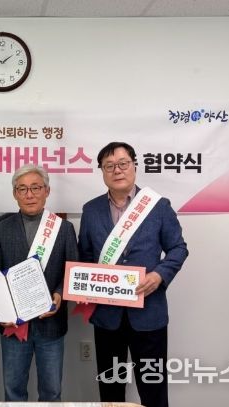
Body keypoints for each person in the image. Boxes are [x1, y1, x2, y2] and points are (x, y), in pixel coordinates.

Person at [77, 142, 188, 407]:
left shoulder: (158, 206)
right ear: (102, 172)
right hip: (107, 316)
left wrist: (159, 275)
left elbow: (178, 248)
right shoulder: (91, 210)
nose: (117, 170)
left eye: (123, 163)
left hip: (149, 313)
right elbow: (85, 256)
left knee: (153, 390)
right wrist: (84, 284)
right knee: (110, 392)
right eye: (109, 166)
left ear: (134, 166)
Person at [0, 164, 79, 401]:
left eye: (36, 188)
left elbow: (72, 271)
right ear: (15, 194)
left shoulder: (63, 228)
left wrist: (59, 294)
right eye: (22, 189)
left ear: (47, 191)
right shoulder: (1, 228)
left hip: (50, 325)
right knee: (13, 392)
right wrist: (1, 310)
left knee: (51, 392)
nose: (29, 195)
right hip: (13, 325)